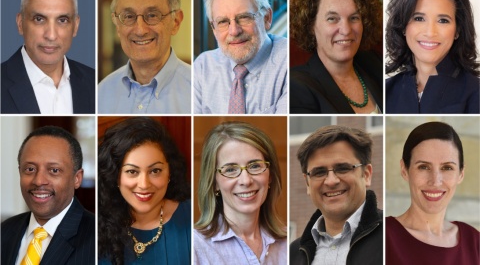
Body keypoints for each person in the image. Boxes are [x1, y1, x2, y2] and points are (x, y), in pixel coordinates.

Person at [98, 117, 191, 264]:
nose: (144, 184)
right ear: (115, 176)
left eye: (155, 171)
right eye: (132, 171)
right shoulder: (93, 223)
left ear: (170, 173)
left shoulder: (195, 217)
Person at [386, 122, 479, 264]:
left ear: (461, 173)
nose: (435, 181)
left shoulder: (474, 241)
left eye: (447, 168)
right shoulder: (383, 238)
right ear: (404, 170)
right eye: (423, 167)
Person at [194, 0, 288, 114]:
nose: (234, 31)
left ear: (267, 18)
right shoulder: (202, 67)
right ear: (213, 28)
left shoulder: (288, 61)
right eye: (223, 22)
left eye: (244, 17)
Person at [385, 0, 479, 113]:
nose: (430, 32)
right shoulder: (386, 90)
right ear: (403, 26)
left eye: (443, 21)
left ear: (457, 31)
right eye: (418, 18)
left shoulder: (475, 91)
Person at [1, 0, 95, 114]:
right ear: (20, 23)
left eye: (62, 20)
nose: (51, 35)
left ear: (75, 26)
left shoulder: (94, 82)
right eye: (39, 19)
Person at [194, 122, 287, 264]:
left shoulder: (288, 243)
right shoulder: (196, 246)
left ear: (270, 176)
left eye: (255, 166)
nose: (246, 180)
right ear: (214, 183)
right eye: (230, 169)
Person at [289, 0, 383, 114]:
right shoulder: (296, 86)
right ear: (311, 25)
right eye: (332, 19)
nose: (346, 30)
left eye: (354, 18)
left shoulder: (374, 61)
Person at [1, 126, 95, 265]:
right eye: (30, 169)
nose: (39, 181)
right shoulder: (5, 230)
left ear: (77, 178)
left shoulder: (98, 237)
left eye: (54, 170)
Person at [290, 125, 383, 264]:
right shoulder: (293, 254)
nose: (331, 181)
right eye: (319, 172)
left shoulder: (394, 237)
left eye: (343, 168)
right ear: (307, 183)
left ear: (367, 174)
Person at [98, 0, 191, 114]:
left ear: (176, 22)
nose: (140, 30)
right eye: (129, 17)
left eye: (152, 15)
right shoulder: (102, 92)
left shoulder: (200, 90)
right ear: (117, 25)